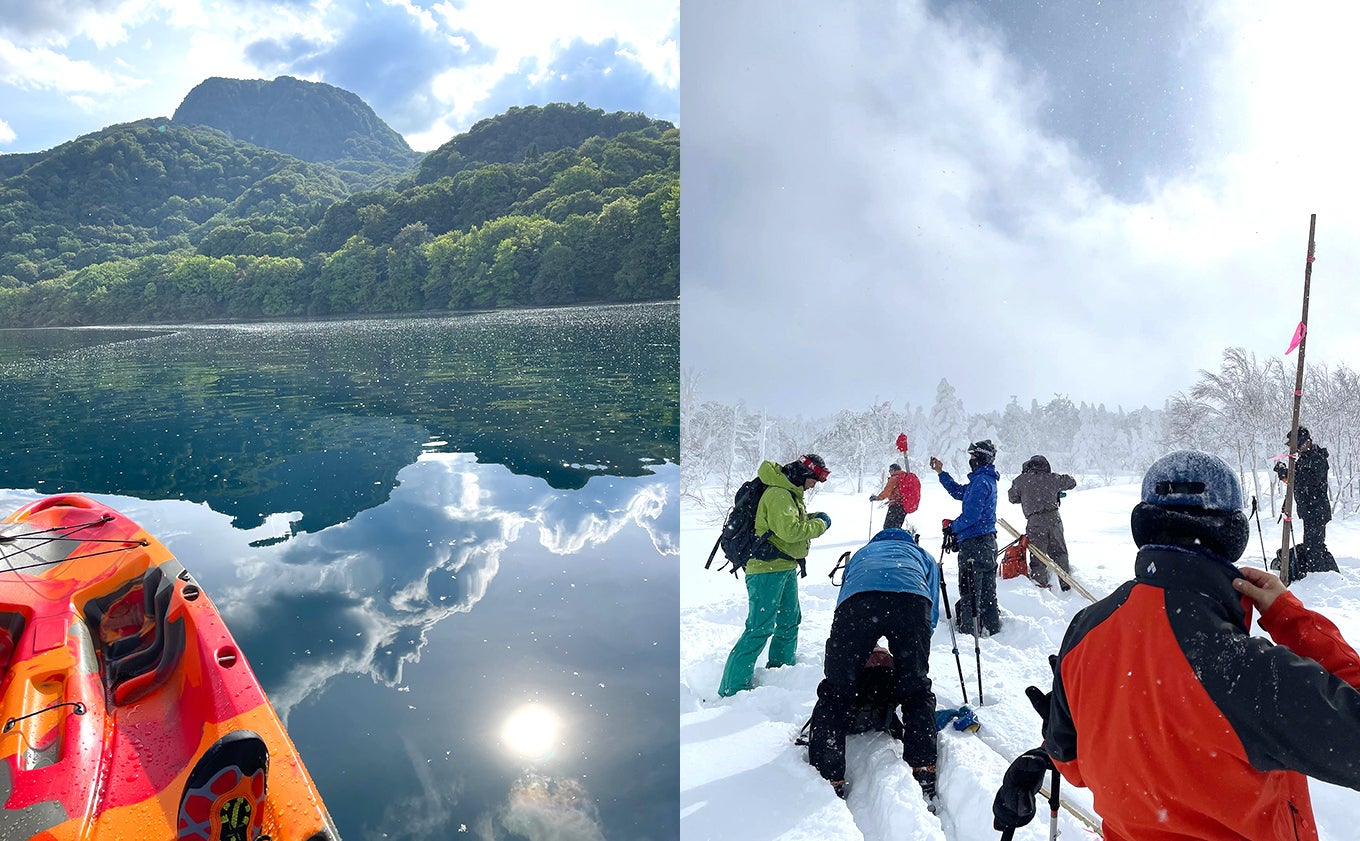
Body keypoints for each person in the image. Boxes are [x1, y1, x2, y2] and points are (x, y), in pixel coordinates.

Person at [1004, 449, 1360, 841]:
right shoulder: (1244, 668)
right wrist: (1290, 617)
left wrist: (1063, 732)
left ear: (1143, 527)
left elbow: (1072, 766)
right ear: (1233, 534)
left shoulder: (1085, 630)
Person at [807, 527, 941, 809]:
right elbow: (931, 611)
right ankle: (923, 766)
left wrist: (854, 651)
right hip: (912, 601)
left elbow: (844, 600)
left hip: (858, 602)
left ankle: (829, 775)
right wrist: (913, 652)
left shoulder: (862, 554)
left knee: (836, 689)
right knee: (916, 689)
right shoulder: (921, 555)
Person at [717, 454, 831, 697]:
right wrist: (821, 524)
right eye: (815, 479)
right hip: (766, 569)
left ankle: (781, 670)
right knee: (759, 627)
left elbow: (786, 523)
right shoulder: (779, 493)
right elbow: (791, 531)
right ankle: (732, 688)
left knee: (789, 620)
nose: (814, 485)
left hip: (785, 566)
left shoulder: (789, 493)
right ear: (804, 474)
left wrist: (812, 517)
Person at [929, 440, 1001, 635]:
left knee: (969, 592)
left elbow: (971, 516)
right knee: (988, 593)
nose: (970, 460)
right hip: (987, 543)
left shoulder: (981, 482)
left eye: (973, 456)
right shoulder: (984, 480)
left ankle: (969, 634)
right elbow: (959, 492)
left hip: (975, 545)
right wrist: (941, 473)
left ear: (981, 458)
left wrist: (952, 527)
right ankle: (994, 629)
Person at [1007, 454, 1077, 591]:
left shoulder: (1021, 480)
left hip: (1035, 521)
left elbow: (1012, 498)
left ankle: (1041, 585)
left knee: (1038, 555)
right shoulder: (1053, 478)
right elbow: (1072, 482)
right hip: (1054, 519)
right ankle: (1066, 583)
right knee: (1060, 553)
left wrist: (1027, 495)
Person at [1274, 426, 1338, 575]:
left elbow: (1307, 481)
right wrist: (1286, 476)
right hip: (1309, 511)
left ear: (1307, 442)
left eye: (1298, 445)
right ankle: (1320, 573)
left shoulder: (1317, 458)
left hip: (1317, 510)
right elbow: (1296, 482)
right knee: (1312, 544)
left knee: (1314, 547)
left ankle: (1319, 574)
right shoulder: (1304, 459)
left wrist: (1287, 474)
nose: (1297, 449)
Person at [869, 462, 921, 531]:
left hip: (895, 505)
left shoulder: (894, 478)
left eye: (890, 470)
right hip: (904, 506)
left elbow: (887, 491)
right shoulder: (904, 477)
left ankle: (894, 537)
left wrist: (878, 498)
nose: (890, 472)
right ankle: (904, 535)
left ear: (893, 470)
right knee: (897, 527)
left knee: (888, 527)